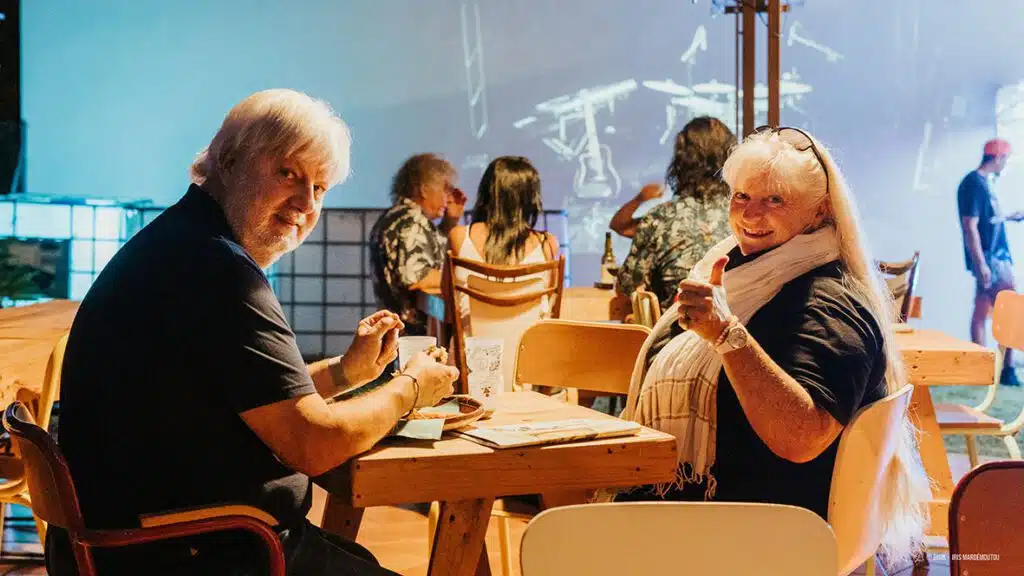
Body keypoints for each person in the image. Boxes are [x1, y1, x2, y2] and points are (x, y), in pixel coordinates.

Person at [50, 89, 459, 575]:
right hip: (188, 552)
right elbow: (314, 444)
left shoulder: (182, 240)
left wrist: (347, 372)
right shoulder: (216, 269)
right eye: (288, 173)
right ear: (228, 161)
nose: (306, 203)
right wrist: (411, 387)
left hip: (144, 542)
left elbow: (251, 398)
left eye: (320, 187)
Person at [620, 126, 930, 567]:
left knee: (560, 538)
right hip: (733, 511)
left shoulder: (829, 302)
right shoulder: (745, 269)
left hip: (770, 533)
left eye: (775, 200)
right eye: (742, 196)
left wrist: (726, 334)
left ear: (820, 210)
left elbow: (801, 437)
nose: (751, 214)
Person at [615, 116, 736, 311]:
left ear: (681, 163)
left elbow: (628, 285)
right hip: (740, 324)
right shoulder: (744, 216)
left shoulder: (661, 218)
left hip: (680, 325)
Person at [448, 155, 560, 317]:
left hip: (473, 334)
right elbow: (550, 305)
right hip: (532, 334)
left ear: (486, 192)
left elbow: (449, 304)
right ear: (532, 198)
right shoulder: (548, 244)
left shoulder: (459, 237)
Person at [369, 153, 467, 335]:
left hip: (395, 330)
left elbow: (426, 255)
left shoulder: (397, 217)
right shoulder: (411, 221)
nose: (448, 198)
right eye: (445, 190)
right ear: (424, 190)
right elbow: (417, 276)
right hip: (411, 336)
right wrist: (469, 279)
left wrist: (449, 223)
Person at [958, 138, 1022, 385]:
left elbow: (985, 222)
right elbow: (970, 227)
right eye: (1005, 158)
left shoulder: (983, 183)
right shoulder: (974, 183)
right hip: (993, 260)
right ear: (997, 157)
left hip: (992, 258)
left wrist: (1008, 217)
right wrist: (981, 264)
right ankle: (1007, 370)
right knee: (1010, 312)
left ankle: (982, 370)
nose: (1005, 163)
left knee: (983, 310)